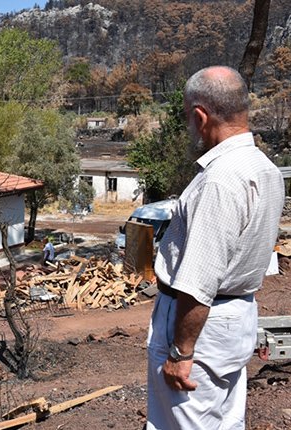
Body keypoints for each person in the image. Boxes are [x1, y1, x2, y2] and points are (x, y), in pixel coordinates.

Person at [147, 66, 285, 429]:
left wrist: (180, 352)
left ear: (200, 115)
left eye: (188, 119)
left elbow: (199, 281)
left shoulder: (219, 180)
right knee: (225, 421)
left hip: (201, 328)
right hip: (236, 317)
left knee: (184, 422)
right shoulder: (265, 168)